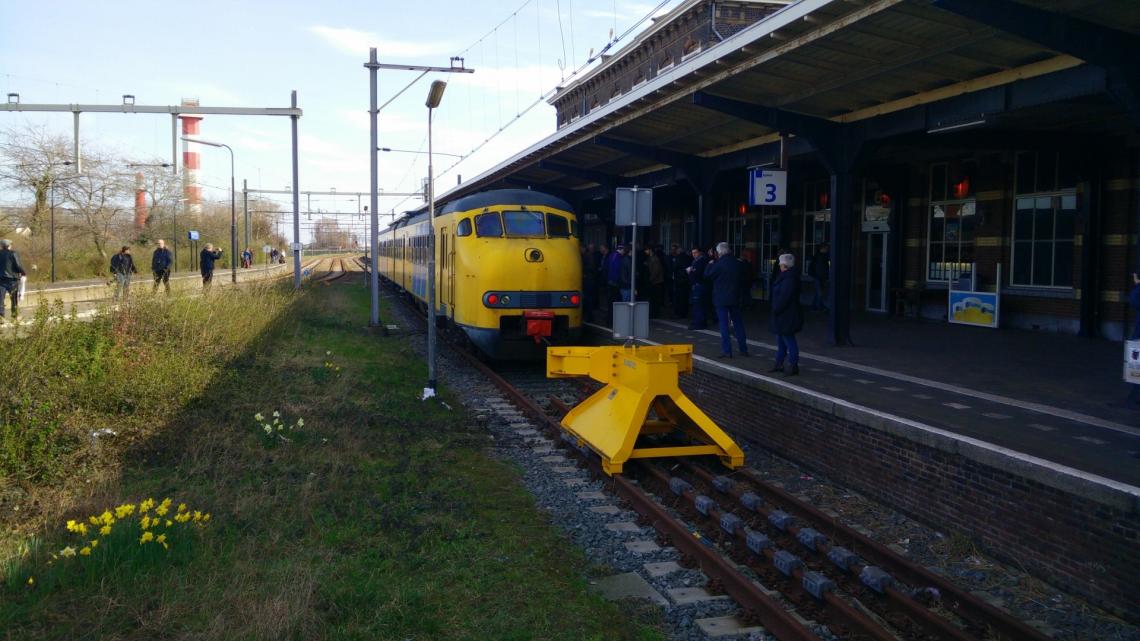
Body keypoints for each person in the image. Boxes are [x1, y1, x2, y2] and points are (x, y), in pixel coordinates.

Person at [704, 242, 750, 358]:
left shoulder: (718, 264)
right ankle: (743, 349)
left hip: (721, 298)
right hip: (734, 297)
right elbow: (745, 277)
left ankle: (727, 351)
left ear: (719, 253)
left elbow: (707, 275)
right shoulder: (737, 263)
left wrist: (710, 264)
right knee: (738, 323)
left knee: (724, 324)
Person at [768, 253, 804, 375]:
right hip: (784, 314)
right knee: (781, 340)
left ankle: (793, 365)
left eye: (780, 263)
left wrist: (775, 309)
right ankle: (779, 363)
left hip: (786, 314)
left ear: (784, 265)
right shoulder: (788, 277)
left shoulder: (789, 279)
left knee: (788, 339)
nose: (779, 265)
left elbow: (785, 297)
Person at [0, 239, 27, 321]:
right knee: (14, 299)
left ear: (2, 246)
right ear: (9, 246)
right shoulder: (13, 253)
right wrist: (23, 272)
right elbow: (18, 265)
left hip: (1, 280)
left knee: (0, 299)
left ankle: (1, 318)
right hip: (12, 280)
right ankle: (14, 316)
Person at [687, 247, 710, 329]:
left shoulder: (700, 261)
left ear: (699, 252)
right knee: (699, 305)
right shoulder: (697, 261)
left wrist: (690, 272)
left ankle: (699, 323)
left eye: (695, 252)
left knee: (698, 305)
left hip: (699, 285)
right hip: (699, 285)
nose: (694, 254)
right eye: (692, 253)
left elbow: (697, 274)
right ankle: (699, 321)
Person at [671, 244, 691, 319]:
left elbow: (675, 268)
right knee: (685, 298)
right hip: (686, 280)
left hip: (679, 280)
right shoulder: (688, 258)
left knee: (678, 298)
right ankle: (684, 312)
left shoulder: (678, 258)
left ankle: (678, 313)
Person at [810, 243, 831, 311]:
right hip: (818, 277)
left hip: (821, 277)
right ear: (822, 248)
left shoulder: (824, 256)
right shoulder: (818, 256)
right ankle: (819, 307)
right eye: (826, 248)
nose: (827, 249)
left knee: (818, 293)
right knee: (820, 293)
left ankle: (814, 306)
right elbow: (819, 268)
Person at [646, 246, 665, 317]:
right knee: (653, 298)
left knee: (655, 298)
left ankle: (655, 313)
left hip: (656, 282)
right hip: (654, 281)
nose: (646, 251)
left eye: (647, 250)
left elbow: (656, 271)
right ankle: (653, 312)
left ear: (650, 250)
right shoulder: (650, 258)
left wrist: (650, 279)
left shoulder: (655, 259)